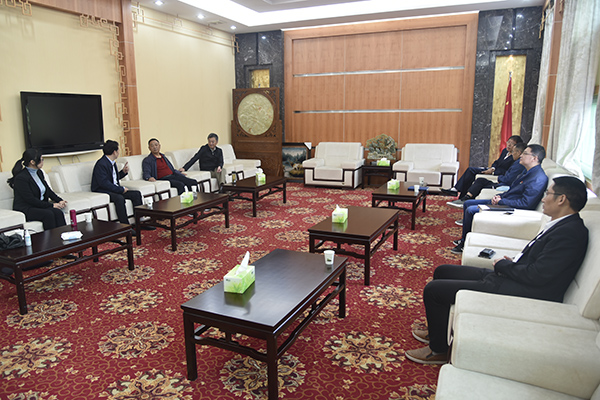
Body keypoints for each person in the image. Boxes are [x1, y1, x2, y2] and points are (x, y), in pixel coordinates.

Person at [406, 176, 589, 364]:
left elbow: (538, 276)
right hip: (515, 276)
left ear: (561, 199)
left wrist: (504, 265)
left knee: (434, 290)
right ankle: (438, 331)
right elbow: (541, 264)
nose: (543, 198)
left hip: (524, 290)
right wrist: (513, 263)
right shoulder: (562, 225)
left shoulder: (570, 233)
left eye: (548, 194)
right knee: (443, 271)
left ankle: (438, 350)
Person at [451, 144, 548, 254]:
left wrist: (501, 201)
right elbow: (513, 190)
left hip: (511, 208)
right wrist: (500, 196)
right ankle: (464, 239)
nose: (521, 155)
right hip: (506, 201)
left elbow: (526, 204)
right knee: (468, 203)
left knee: (471, 210)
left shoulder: (537, 178)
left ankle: (463, 245)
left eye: (525, 153)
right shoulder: (527, 172)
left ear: (534, 158)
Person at [446, 142, 526, 208]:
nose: (512, 154)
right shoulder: (511, 157)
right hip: (497, 175)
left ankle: (466, 200)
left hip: (503, 184)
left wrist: (499, 177)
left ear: (519, 153)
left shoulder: (518, 164)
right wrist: (493, 169)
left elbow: (508, 179)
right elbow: (497, 162)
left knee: (480, 181)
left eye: (513, 152)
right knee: (480, 179)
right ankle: (465, 198)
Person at [442, 135, 524, 196]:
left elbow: (507, 171)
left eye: (512, 144)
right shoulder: (504, 151)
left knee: (476, 177)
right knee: (471, 170)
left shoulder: (515, 158)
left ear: (516, 146)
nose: (509, 145)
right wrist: (493, 168)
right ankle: (456, 190)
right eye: (508, 142)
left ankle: (462, 195)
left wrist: (493, 172)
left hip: (497, 173)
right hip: (492, 169)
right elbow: (497, 162)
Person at [8, 149, 67, 230]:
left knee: (58, 212)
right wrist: (51, 205)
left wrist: (59, 200)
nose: (43, 162)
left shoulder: (39, 172)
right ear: (32, 162)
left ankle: (65, 235)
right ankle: (51, 238)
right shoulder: (21, 178)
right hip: (27, 208)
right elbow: (30, 199)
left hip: (38, 205)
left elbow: (47, 190)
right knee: (48, 214)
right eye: (41, 159)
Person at [91, 140, 143, 225]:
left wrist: (123, 172)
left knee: (136, 194)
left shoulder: (112, 162)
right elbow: (103, 183)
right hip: (103, 190)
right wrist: (120, 189)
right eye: (118, 150)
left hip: (112, 188)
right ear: (114, 152)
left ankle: (140, 222)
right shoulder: (101, 164)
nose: (119, 152)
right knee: (119, 198)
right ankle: (125, 226)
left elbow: (113, 178)